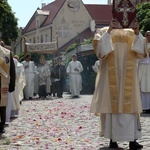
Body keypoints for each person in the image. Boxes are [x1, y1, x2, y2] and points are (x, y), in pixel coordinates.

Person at [90, 20, 146, 149]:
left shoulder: (132, 32)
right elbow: (100, 52)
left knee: (130, 106)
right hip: (110, 78)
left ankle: (132, 139)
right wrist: (109, 31)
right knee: (111, 105)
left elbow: (141, 53)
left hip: (128, 75)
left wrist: (137, 32)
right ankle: (112, 139)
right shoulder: (104, 31)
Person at [0, 37, 16, 133]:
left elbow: (12, 70)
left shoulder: (7, 53)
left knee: (2, 105)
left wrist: (12, 84)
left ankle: (1, 125)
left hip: (3, 82)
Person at [138, 31, 150, 113]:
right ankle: (143, 106)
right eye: (147, 35)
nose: (148, 36)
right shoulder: (141, 45)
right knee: (142, 85)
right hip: (142, 66)